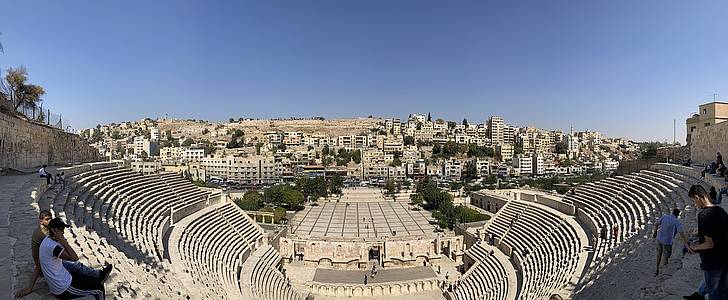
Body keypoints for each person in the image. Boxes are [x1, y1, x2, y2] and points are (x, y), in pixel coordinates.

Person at [39, 217, 113, 300]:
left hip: (64, 278)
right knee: (99, 290)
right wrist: (63, 241)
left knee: (91, 279)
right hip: (63, 288)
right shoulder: (53, 246)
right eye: (61, 230)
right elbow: (74, 258)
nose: (63, 232)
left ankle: (99, 275)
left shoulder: (47, 240)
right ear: (54, 230)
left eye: (63, 229)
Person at [687, 185, 728, 300]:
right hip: (725, 258)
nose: (695, 204)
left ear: (697, 197)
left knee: (713, 293)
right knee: (724, 291)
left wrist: (694, 247)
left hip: (712, 262)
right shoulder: (721, 210)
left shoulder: (703, 215)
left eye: (693, 200)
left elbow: (709, 244)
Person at [653, 208, 689, 276]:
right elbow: (681, 234)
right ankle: (663, 271)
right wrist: (686, 244)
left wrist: (654, 232)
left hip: (659, 238)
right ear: (678, 215)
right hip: (667, 241)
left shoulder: (664, 217)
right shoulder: (677, 222)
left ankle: (657, 269)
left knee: (659, 253)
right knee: (666, 256)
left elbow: (656, 224)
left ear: (672, 212)